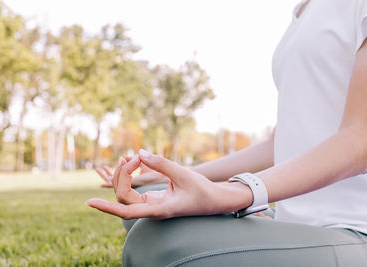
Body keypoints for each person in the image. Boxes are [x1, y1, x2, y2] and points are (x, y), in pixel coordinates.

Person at [87, 0, 367, 266]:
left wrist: (238, 193)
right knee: (151, 196)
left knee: (154, 242)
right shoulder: (303, 11)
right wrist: (179, 175)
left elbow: (361, 139)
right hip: (294, 223)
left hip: (356, 230)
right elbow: (278, 143)